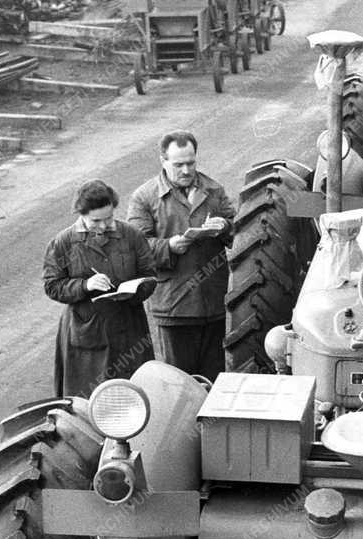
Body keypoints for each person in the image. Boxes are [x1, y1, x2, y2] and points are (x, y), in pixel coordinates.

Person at [126, 131, 236, 379]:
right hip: (174, 308)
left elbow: (240, 231)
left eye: (191, 163)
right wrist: (168, 247)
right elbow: (134, 248)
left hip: (212, 304)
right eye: (179, 165)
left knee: (213, 379)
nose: (187, 170)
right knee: (178, 382)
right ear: (163, 161)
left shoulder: (213, 190)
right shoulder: (144, 197)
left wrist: (226, 227)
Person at [43, 179, 157, 398]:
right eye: (97, 220)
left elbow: (150, 274)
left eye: (109, 218)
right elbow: (52, 285)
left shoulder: (131, 236)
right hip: (86, 338)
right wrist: (85, 285)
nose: (104, 226)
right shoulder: (64, 243)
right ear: (81, 214)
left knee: (133, 399)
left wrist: (134, 290)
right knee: (88, 404)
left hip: (129, 331)